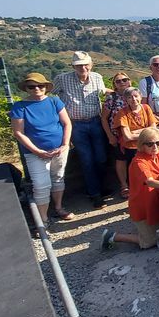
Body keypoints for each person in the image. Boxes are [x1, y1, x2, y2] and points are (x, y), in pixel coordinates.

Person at [100, 127, 159, 251]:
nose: (155, 147)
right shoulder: (139, 162)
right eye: (150, 144)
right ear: (142, 145)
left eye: (158, 142)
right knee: (149, 242)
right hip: (145, 206)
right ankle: (113, 236)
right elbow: (149, 182)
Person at [10, 73, 73, 225]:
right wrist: (37, 151)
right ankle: (43, 219)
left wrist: (64, 145)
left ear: (46, 87)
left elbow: (67, 123)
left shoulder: (54, 101)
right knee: (41, 184)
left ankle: (58, 208)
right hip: (34, 153)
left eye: (40, 86)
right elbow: (18, 132)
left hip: (59, 149)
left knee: (58, 178)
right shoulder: (20, 106)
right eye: (32, 86)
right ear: (26, 88)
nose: (37, 88)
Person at [52, 51, 111, 208]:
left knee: (101, 157)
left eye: (85, 64)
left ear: (91, 65)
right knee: (86, 160)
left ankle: (98, 187)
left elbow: (103, 92)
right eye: (79, 65)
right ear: (73, 66)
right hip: (76, 125)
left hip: (96, 122)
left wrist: (125, 92)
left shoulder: (97, 78)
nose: (83, 67)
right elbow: (49, 95)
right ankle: (95, 194)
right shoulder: (62, 79)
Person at [113, 87, 157, 196]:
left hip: (145, 145)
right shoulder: (122, 113)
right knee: (132, 168)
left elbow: (153, 129)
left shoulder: (146, 108)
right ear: (126, 100)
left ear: (140, 97)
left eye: (136, 96)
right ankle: (129, 188)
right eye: (130, 97)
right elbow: (127, 137)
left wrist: (135, 133)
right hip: (129, 147)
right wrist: (145, 132)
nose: (133, 99)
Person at [101, 72, 131, 198]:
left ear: (129, 81)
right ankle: (124, 185)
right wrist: (110, 136)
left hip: (134, 134)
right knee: (121, 160)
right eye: (118, 81)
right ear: (114, 85)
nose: (122, 82)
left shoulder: (134, 94)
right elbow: (104, 118)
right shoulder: (111, 98)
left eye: (124, 80)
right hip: (118, 135)